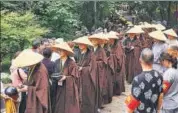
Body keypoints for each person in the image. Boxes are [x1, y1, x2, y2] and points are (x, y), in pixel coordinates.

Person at [125, 48, 163, 113]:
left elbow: (133, 102)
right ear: (153, 61)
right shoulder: (159, 76)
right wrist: (158, 110)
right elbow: (161, 95)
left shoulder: (137, 79)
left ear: (140, 60)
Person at [51, 42, 80, 113]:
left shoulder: (71, 62)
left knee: (68, 105)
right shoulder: (56, 61)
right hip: (58, 86)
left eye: (62, 50)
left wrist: (66, 78)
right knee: (58, 103)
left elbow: (75, 77)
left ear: (66, 52)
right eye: (59, 50)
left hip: (68, 87)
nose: (59, 52)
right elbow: (53, 73)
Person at [73, 36, 97, 113]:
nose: (80, 45)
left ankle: (88, 110)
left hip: (88, 78)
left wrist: (83, 69)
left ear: (86, 45)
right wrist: (76, 66)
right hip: (79, 76)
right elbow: (76, 63)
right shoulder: (78, 53)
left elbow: (92, 67)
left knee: (87, 94)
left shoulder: (91, 54)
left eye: (82, 44)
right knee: (79, 93)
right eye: (79, 44)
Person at [89, 32, 108, 110]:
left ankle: (99, 104)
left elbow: (104, 62)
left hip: (99, 72)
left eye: (94, 40)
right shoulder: (90, 50)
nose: (93, 42)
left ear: (98, 41)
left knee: (99, 87)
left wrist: (95, 63)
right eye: (92, 40)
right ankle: (92, 104)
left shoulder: (101, 50)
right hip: (91, 71)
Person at [107, 31, 125, 96]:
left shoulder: (118, 45)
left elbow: (119, 55)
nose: (110, 40)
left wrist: (111, 56)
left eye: (111, 39)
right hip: (112, 63)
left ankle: (118, 91)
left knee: (118, 77)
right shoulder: (110, 45)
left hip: (117, 63)